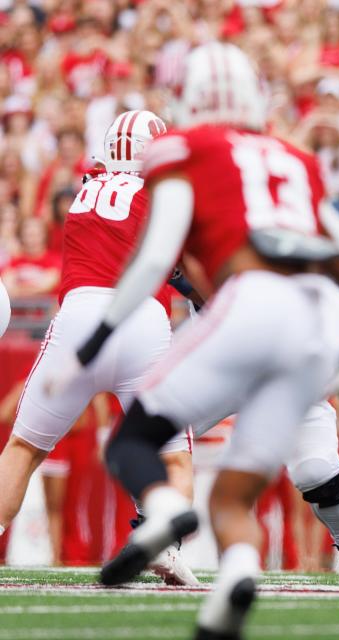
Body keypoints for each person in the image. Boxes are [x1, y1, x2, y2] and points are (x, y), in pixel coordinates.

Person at [46, 42, 339, 639]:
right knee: (257, 483)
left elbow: (154, 258)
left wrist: (94, 340)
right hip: (318, 322)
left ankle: (166, 513)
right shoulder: (294, 158)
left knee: (138, 439)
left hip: (244, 313)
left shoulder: (190, 150)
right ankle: (242, 570)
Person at [0, 110, 198, 586]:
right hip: (143, 319)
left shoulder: (86, 189)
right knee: (174, 457)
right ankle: (164, 545)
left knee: (24, 447)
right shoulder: (164, 192)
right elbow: (189, 266)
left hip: (79, 318)